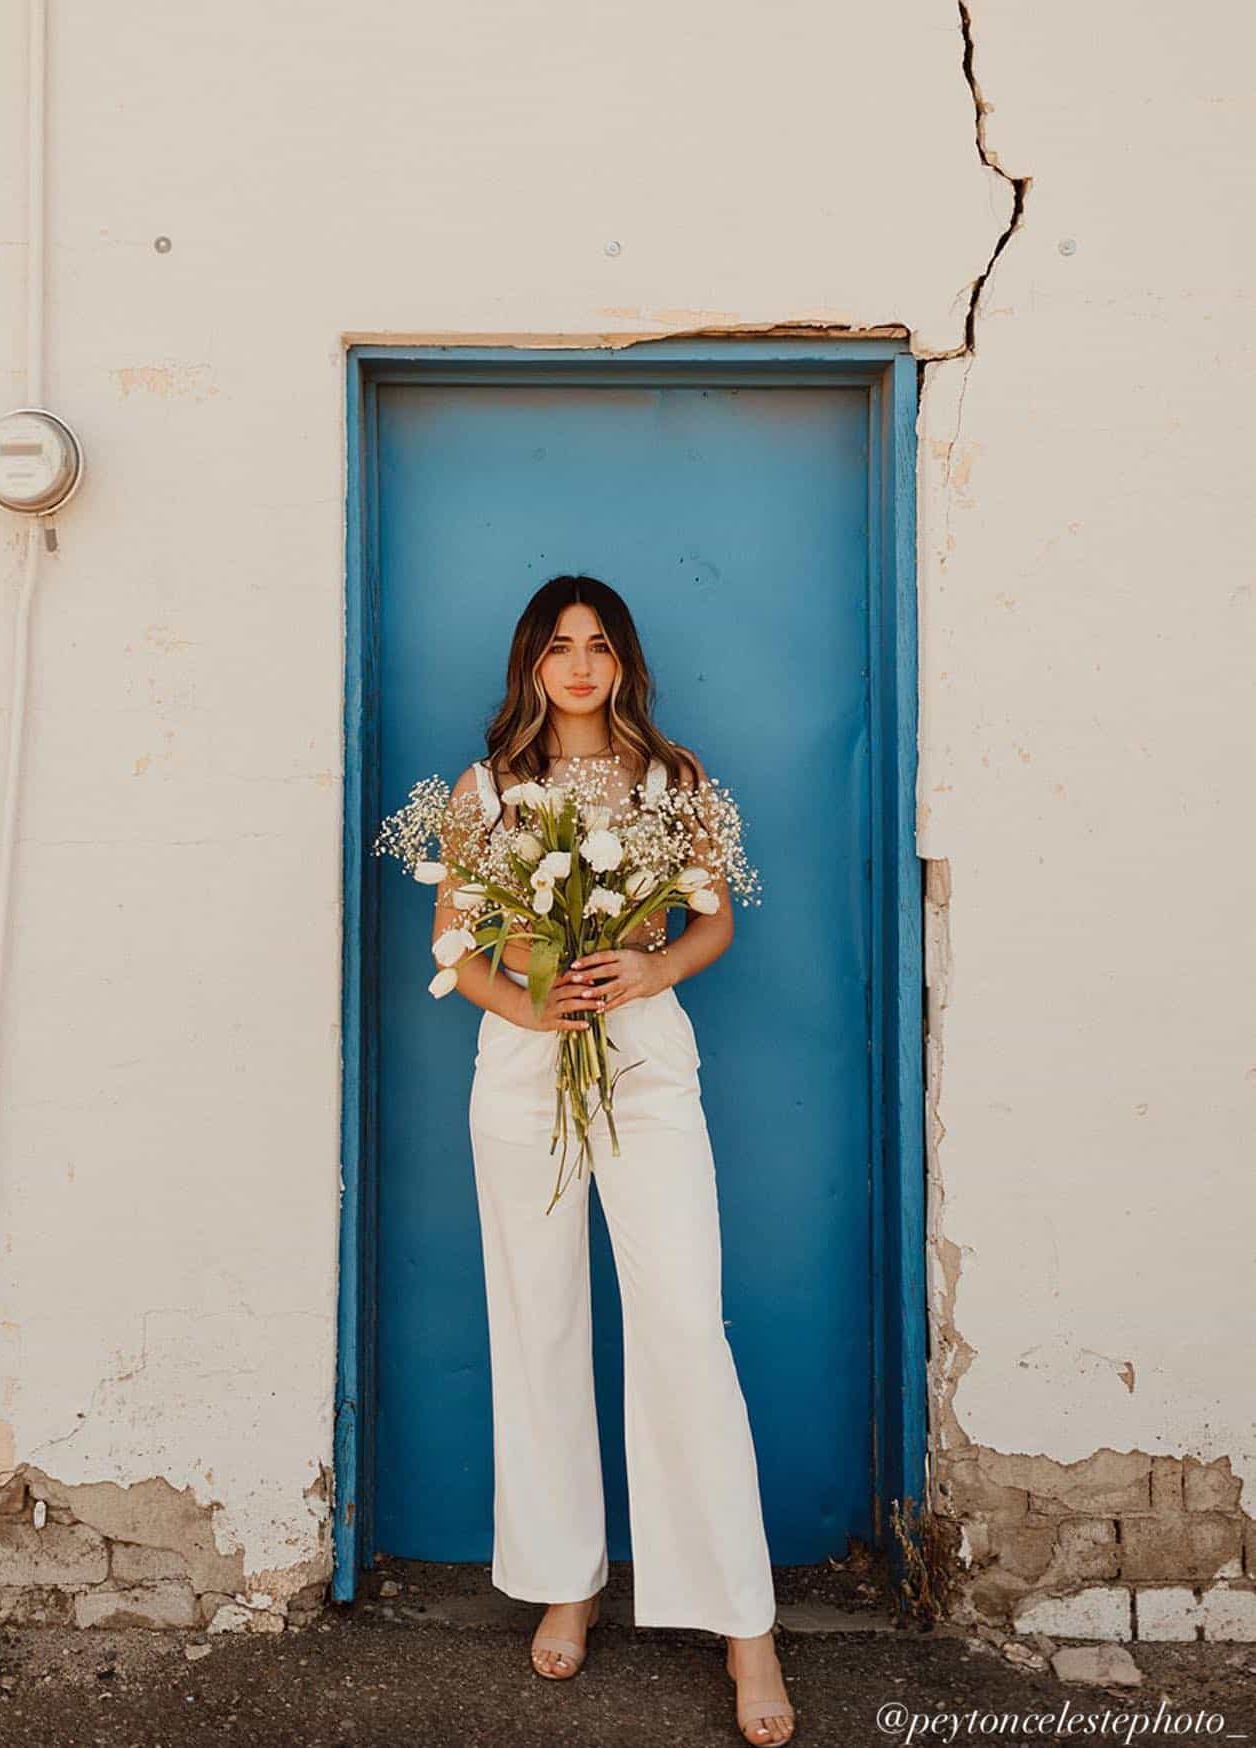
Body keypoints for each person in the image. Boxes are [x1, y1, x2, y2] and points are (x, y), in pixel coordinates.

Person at [432, 574, 796, 1745]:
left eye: (598, 644)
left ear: (623, 660)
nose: (579, 663)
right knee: (536, 1321)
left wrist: (651, 969)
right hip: (523, 1071)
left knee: (684, 1323)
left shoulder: (676, 780)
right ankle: (566, 1577)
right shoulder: (481, 790)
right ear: (530, 663)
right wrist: (531, 1008)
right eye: (558, 645)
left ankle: (746, 1627)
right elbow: (453, 945)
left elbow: (714, 922)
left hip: (644, 1066)